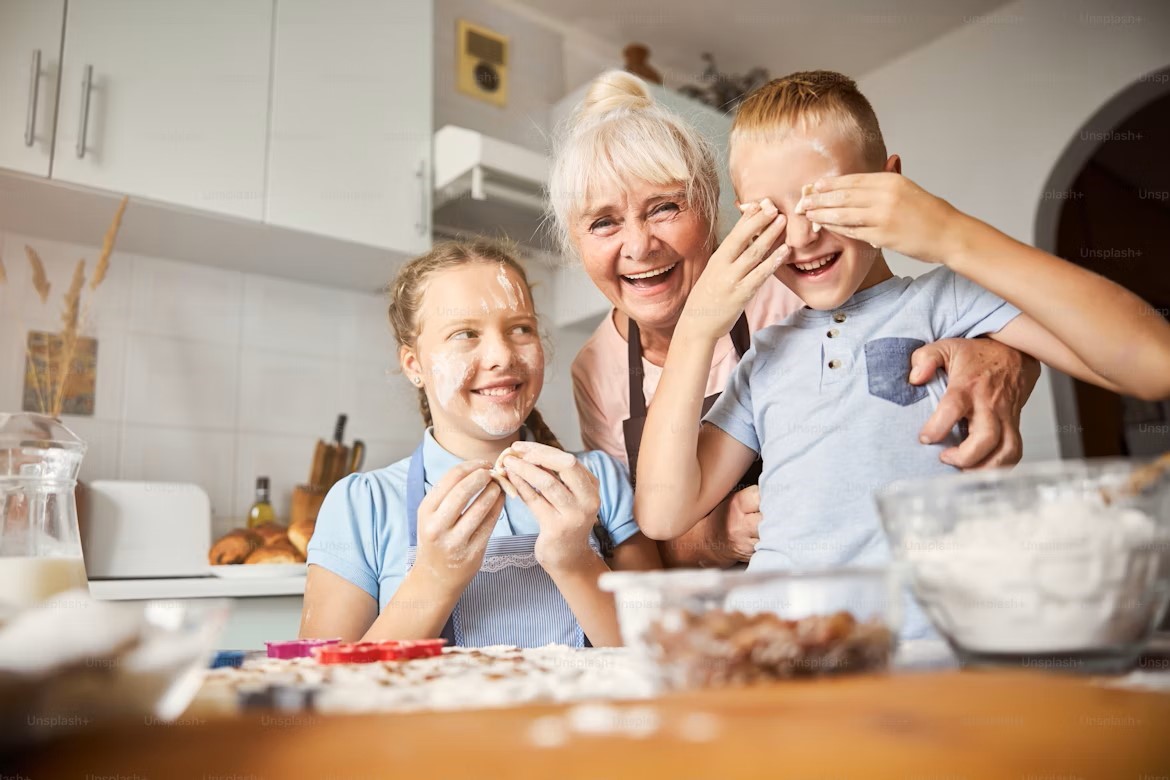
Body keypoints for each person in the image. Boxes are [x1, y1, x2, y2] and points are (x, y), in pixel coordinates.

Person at [633, 71, 1170, 634]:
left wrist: (949, 233)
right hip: (783, 648)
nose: (801, 236)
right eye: (769, 215)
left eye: (829, 198)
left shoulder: (948, 299)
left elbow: (1152, 364)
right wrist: (696, 329)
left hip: (926, 649)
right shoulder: (765, 357)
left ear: (890, 183)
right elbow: (663, 512)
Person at [548, 71, 1040, 569]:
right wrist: (717, 537)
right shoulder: (595, 368)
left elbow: (910, 326)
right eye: (603, 222)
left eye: (665, 208)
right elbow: (638, 534)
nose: (639, 246)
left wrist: (1003, 351)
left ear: (715, 210)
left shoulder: (795, 281)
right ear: (575, 241)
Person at [300, 239, 660, 647]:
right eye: (465, 333)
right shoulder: (362, 506)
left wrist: (576, 560)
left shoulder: (597, 480)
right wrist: (434, 577)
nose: (502, 356)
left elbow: (664, 658)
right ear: (414, 365)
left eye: (520, 328)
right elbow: (324, 690)